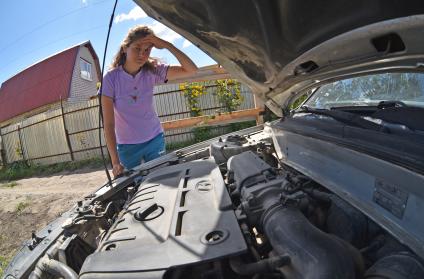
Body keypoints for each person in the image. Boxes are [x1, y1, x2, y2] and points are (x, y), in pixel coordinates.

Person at [101, 25, 198, 177]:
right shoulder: (110, 79)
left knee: (162, 181)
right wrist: (114, 161)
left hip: (154, 139)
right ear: (125, 48)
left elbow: (192, 70)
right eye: (137, 48)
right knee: (132, 188)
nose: (142, 54)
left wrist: (167, 45)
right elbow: (108, 124)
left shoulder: (152, 71)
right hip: (127, 147)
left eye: (147, 50)